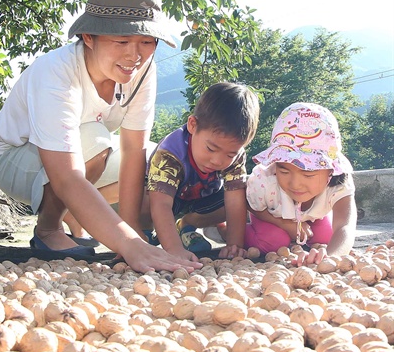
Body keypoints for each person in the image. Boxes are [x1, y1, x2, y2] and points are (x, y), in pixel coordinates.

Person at [0, 0, 201, 274]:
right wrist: (128, 245)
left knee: (163, 165)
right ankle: (49, 230)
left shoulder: (141, 71)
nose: (135, 55)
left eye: (146, 41)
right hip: (13, 158)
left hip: (83, 158)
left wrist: (132, 233)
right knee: (94, 138)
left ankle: (79, 215)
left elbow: (134, 150)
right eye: (121, 40)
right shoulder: (55, 73)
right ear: (88, 37)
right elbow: (66, 176)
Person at [145, 82, 260, 261]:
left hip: (204, 198)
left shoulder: (235, 156)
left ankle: (186, 225)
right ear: (192, 125)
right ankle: (145, 232)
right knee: (144, 201)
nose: (218, 161)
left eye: (230, 154)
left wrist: (234, 246)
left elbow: (235, 202)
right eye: (211, 149)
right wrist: (174, 250)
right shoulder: (169, 154)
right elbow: (160, 205)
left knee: (246, 197)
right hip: (165, 196)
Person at [245, 102, 357, 265]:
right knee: (274, 242)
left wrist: (330, 259)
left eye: (308, 174)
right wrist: (285, 224)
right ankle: (224, 229)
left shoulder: (339, 183)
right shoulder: (265, 180)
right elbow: (252, 205)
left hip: (312, 218)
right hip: (270, 216)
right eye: (284, 171)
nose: (295, 184)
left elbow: (345, 226)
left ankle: (297, 239)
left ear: (330, 170)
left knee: (328, 237)